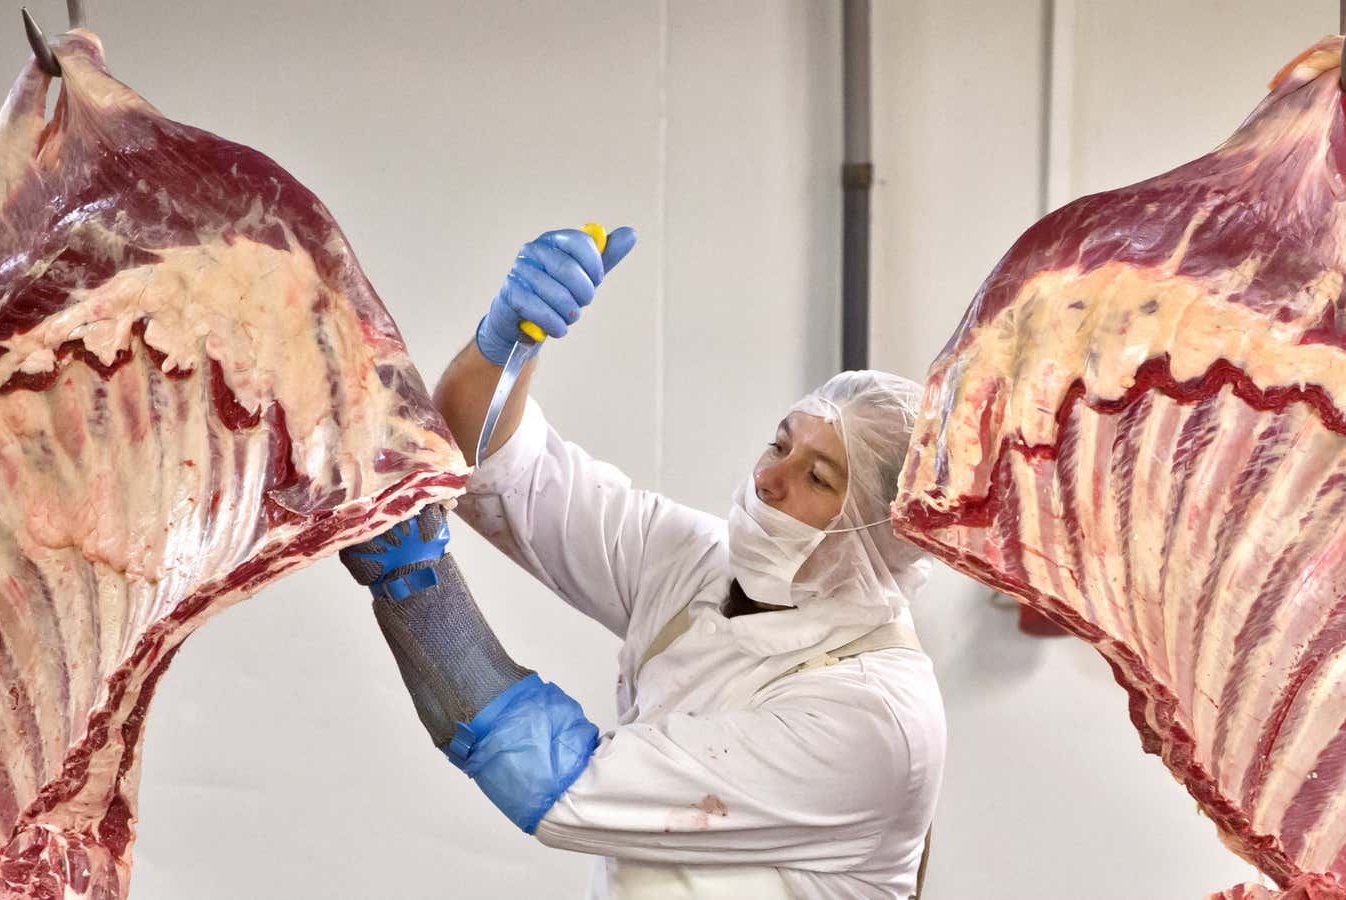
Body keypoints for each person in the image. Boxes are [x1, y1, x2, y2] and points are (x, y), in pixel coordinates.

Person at [338, 226, 946, 899]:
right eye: (781, 444)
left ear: (877, 537)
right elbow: (499, 468)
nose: (773, 479)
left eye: (820, 477)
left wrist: (415, 584)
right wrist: (506, 345)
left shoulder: (873, 720)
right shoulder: (702, 569)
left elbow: (556, 783)